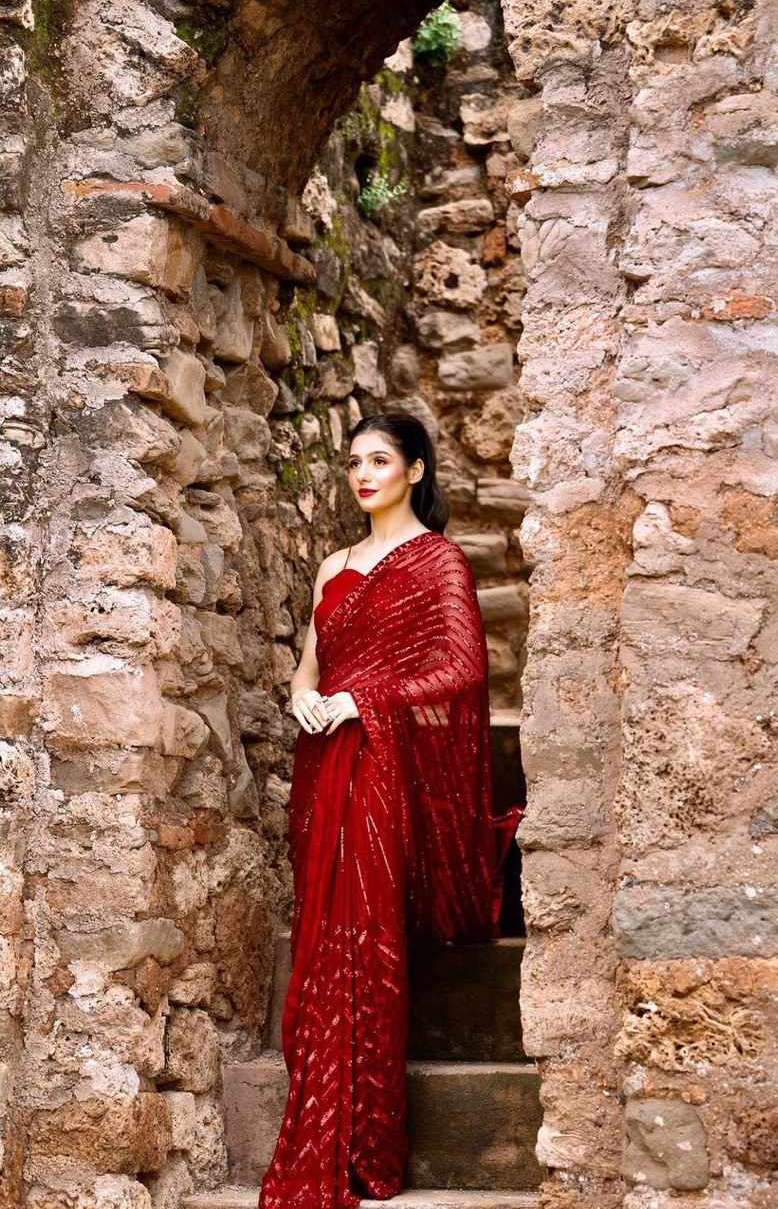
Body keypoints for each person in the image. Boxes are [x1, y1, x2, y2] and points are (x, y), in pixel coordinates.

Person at [258, 413, 523, 1209]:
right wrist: (304, 699)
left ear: (415, 470)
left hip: (380, 761)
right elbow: (309, 669)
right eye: (354, 463)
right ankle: (320, 1113)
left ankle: (366, 1140)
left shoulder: (439, 562)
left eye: (380, 460)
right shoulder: (334, 566)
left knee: (365, 928)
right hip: (322, 762)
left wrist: (363, 700)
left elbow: (462, 669)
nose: (363, 475)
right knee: (321, 933)